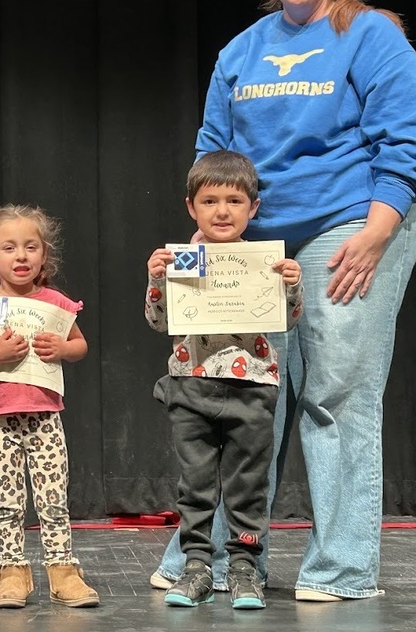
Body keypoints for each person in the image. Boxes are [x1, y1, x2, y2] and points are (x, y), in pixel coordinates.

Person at [151, 0, 416, 602]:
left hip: (350, 222)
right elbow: (214, 149)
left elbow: (408, 139)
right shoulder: (242, 51)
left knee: (336, 392)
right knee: (244, 396)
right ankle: (211, 558)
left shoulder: (370, 34)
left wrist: (377, 232)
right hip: (255, 238)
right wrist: (208, 229)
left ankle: (341, 568)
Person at [146, 151, 303, 610]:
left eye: (234, 201)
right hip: (191, 385)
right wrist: (157, 281)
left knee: (247, 484)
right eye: (210, 201)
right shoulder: (182, 260)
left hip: (252, 388)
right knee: (195, 485)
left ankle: (244, 570)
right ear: (191, 207)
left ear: (253, 208)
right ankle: (196, 568)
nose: (222, 211)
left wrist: (292, 286)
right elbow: (159, 322)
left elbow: (287, 321)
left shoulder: (266, 263)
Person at [0, 204, 99, 610]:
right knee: (8, 500)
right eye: (9, 247)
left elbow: (80, 345)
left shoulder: (54, 303)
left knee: (53, 497)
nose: (21, 256)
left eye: (31, 247)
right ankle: (12, 570)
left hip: (45, 416)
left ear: (44, 254)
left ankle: (62, 569)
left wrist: (63, 348)